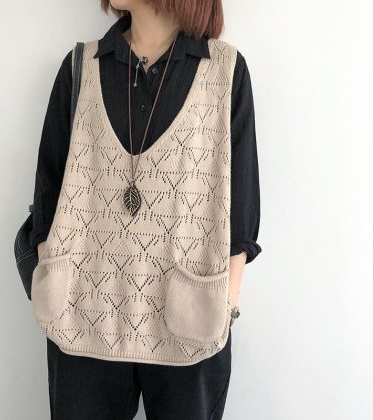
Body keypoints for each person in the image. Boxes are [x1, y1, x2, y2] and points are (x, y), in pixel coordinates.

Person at [29, 1, 262, 418]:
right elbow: (49, 187)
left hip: (192, 320)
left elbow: (241, 205)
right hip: (81, 314)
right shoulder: (81, 66)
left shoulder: (225, 70)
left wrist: (227, 301)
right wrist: (51, 264)